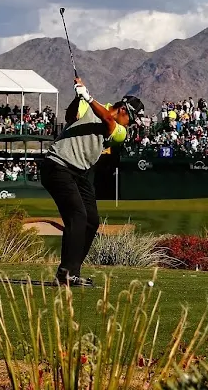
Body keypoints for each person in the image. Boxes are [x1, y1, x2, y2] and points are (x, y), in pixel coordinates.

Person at [40, 78, 140, 288]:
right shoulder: (88, 105)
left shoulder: (120, 131)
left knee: (91, 221)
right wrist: (78, 98)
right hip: (57, 165)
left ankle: (72, 272)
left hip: (79, 172)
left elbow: (108, 122)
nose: (130, 125)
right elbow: (70, 116)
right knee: (77, 216)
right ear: (123, 110)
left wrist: (88, 96)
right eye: (130, 119)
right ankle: (65, 274)